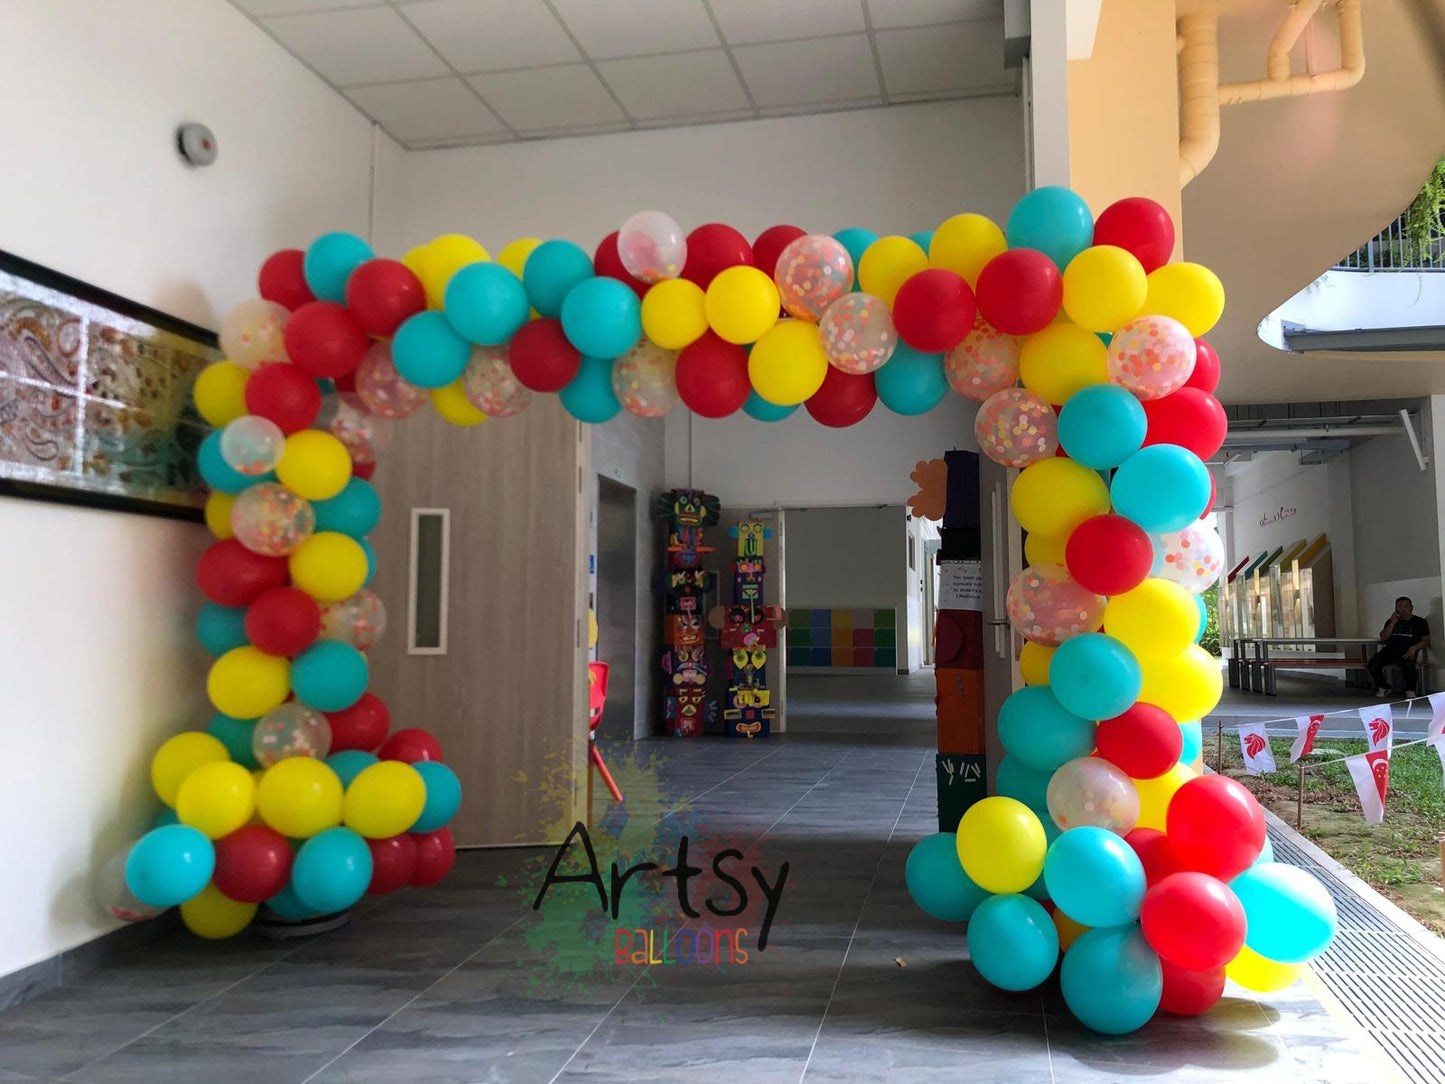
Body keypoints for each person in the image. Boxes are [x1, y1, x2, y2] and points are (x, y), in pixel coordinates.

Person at [1368, 596, 1430, 696]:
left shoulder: (1420, 622)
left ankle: (1410, 690)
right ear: (1396, 608)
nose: (1403, 609)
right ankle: (1383, 686)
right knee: (1373, 663)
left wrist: (1414, 648)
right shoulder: (1391, 621)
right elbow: (1383, 637)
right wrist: (1392, 623)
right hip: (1390, 650)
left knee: (1409, 665)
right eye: (1400, 606)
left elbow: (1426, 641)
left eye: (1406, 606)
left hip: (1408, 651)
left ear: (1411, 608)